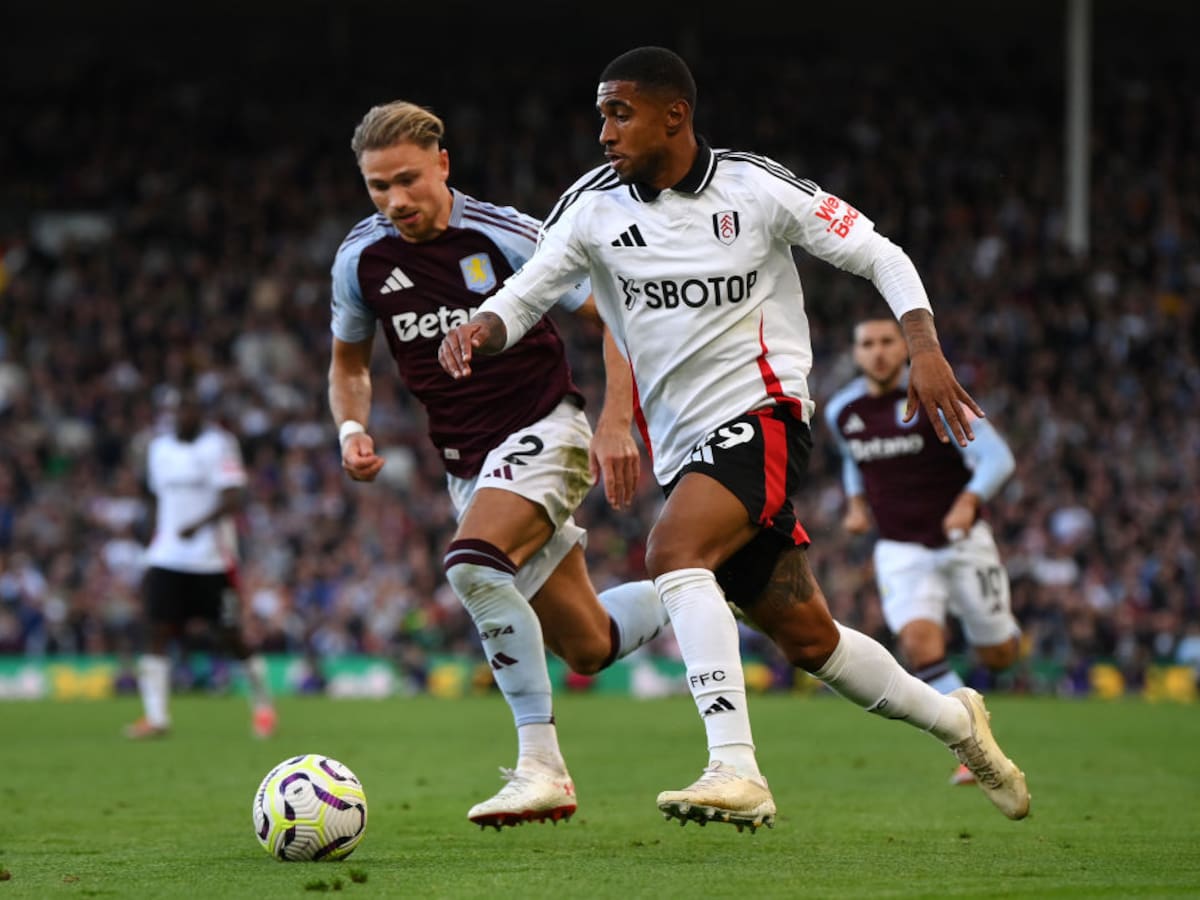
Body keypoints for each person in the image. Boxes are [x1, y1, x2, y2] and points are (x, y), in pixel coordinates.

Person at [438, 46, 1030, 831]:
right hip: (685, 446)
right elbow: (530, 288)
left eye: (620, 112)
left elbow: (879, 252)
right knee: (810, 638)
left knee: (673, 552)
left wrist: (923, 346)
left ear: (674, 114)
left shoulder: (756, 188)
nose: (604, 131)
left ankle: (736, 768)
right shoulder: (590, 207)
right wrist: (483, 327)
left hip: (767, 414)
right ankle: (961, 725)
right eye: (600, 115)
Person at [329, 100, 670, 830]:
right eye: (378, 187)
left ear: (443, 164)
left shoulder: (508, 235)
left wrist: (616, 419)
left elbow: (613, 315)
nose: (395, 201)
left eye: (409, 180)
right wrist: (350, 424)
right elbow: (348, 362)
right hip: (469, 465)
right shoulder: (362, 257)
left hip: (546, 427)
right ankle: (706, 588)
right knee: (588, 645)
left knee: (475, 565)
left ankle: (540, 768)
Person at [825, 317, 1022, 786]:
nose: (877, 352)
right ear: (856, 353)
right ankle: (972, 746)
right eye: (867, 344)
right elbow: (856, 460)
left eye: (887, 342)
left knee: (998, 655)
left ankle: (1003, 639)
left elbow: (998, 459)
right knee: (917, 641)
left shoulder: (936, 395)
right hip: (899, 547)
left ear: (905, 347)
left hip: (962, 542)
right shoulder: (841, 411)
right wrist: (855, 503)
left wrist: (969, 500)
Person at [125, 385, 276, 740]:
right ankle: (156, 717)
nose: (183, 416)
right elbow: (154, 497)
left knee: (230, 635)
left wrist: (199, 524)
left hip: (212, 560)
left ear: (200, 415)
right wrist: (152, 537)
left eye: (190, 410)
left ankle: (263, 706)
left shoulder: (218, 445)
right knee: (156, 631)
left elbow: (233, 496)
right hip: (166, 557)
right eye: (178, 410)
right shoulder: (158, 449)